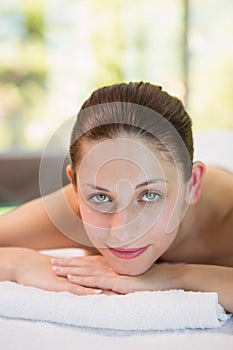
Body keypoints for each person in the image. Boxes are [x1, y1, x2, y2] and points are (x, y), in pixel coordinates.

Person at [0, 82, 233, 311]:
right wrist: (19, 264)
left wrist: (178, 275)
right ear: (75, 185)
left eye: (149, 195)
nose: (122, 231)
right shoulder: (75, 210)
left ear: (192, 184)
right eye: (101, 198)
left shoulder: (226, 218)